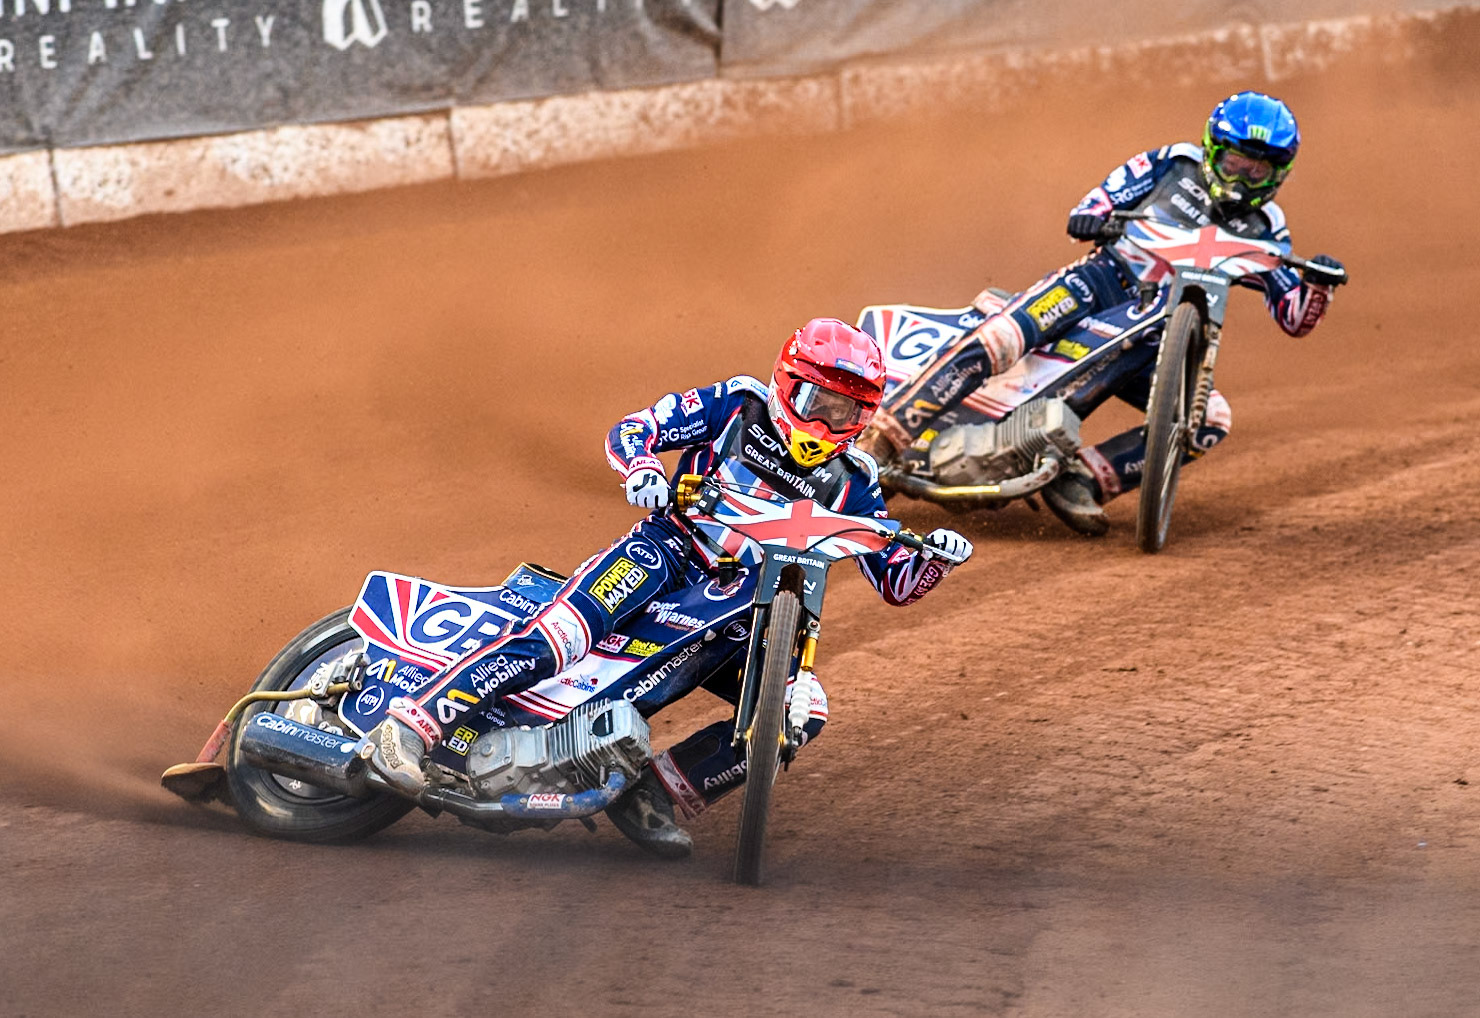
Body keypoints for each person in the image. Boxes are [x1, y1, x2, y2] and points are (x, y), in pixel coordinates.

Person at [364, 318, 973, 858]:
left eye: (845, 413)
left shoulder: (856, 480)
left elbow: (893, 577)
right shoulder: (737, 404)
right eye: (818, 401)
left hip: (748, 608)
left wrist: (936, 559)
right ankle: (410, 727)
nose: (827, 422)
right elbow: (634, 429)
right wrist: (645, 470)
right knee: (562, 635)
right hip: (666, 551)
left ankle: (652, 796)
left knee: (801, 709)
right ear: (788, 383)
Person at [860, 91, 1347, 536]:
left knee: (1210, 418)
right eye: (1237, 163)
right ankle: (883, 440)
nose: (1243, 180)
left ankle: (1084, 480)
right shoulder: (1170, 164)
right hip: (1098, 282)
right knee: (1001, 338)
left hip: (1159, 334)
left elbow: (1293, 316)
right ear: (1213, 151)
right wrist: (1094, 215)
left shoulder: (1268, 227)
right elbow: (1096, 203)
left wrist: (1319, 286)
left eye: (1257, 172)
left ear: (1278, 175)